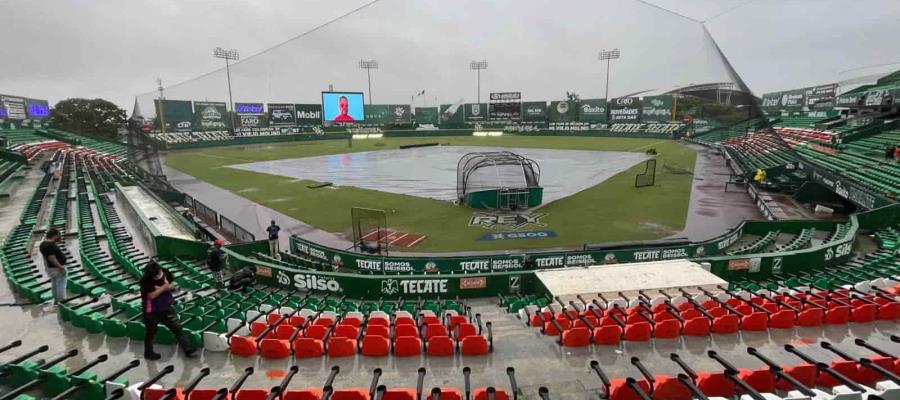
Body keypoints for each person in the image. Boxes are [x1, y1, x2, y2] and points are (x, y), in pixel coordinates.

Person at [140, 261, 196, 359]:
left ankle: (187, 348)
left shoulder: (166, 273)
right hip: (151, 310)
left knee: (177, 328)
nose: (156, 277)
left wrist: (161, 289)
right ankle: (148, 353)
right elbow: (151, 295)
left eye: (157, 274)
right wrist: (165, 287)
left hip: (166, 306)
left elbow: (172, 285)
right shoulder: (145, 280)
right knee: (150, 332)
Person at [39, 228, 67, 305]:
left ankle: (56, 300)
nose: (59, 237)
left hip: (50, 268)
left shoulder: (43, 244)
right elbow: (52, 258)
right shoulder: (50, 245)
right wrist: (61, 267)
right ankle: (61, 301)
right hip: (57, 268)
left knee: (54, 284)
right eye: (58, 235)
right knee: (61, 285)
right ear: (55, 235)